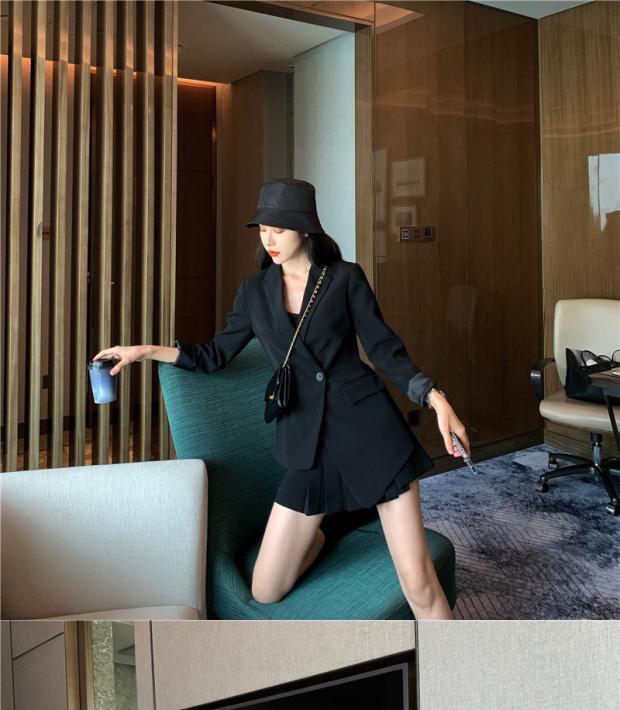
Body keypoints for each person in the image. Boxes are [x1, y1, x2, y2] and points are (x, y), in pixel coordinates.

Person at [94, 177, 469, 620]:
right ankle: (338, 519)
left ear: (305, 229)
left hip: (367, 433)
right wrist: (144, 351)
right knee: (266, 589)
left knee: (419, 584)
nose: (268, 240)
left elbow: (386, 351)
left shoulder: (344, 278)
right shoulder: (254, 292)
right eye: (262, 229)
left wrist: (435, 399)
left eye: (279, 229)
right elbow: (215, 355)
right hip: (306, 445)